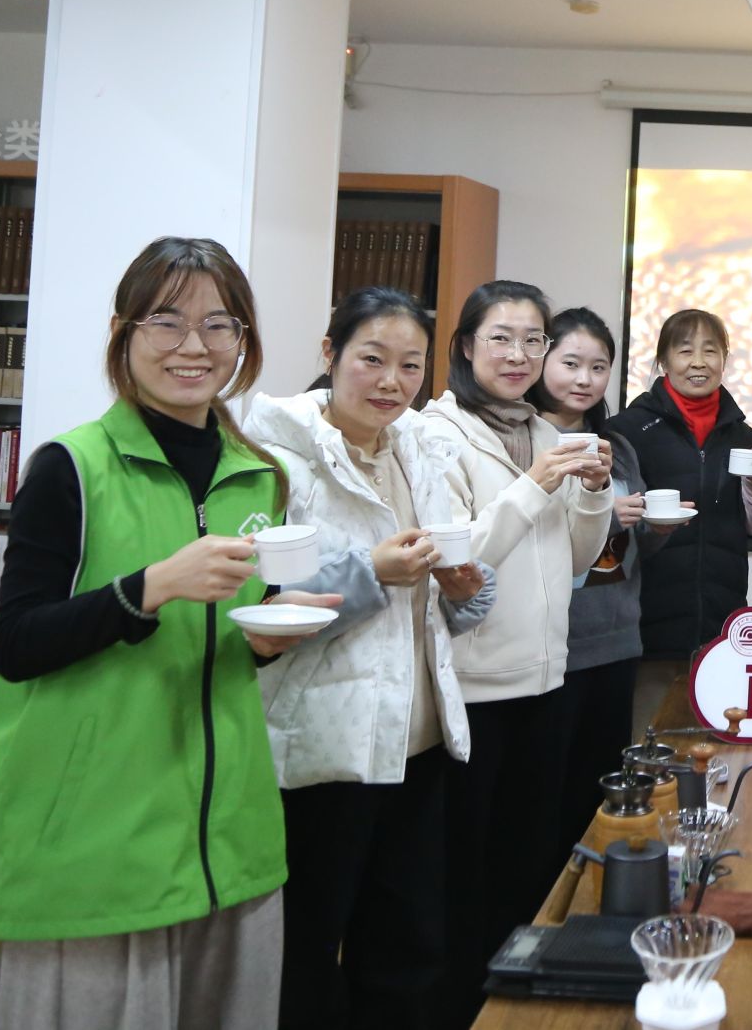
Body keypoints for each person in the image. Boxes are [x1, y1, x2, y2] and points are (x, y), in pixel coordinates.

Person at [0, 237, 339, 1029]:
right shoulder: (71, 467)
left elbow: (220, 637)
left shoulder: (258, 473)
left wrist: (267, 637)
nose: (193, 346)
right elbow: (16, 643)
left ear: (242, 340)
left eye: (219, 325)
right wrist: (148, 587)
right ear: (124, 333)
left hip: (231, 830)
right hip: (98, 834)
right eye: (167, 321)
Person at [244, 286, 500, 1029]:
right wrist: (372, 573)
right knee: (306, 944)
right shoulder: (277, 458)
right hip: (325, 751)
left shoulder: (418, 449)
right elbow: (265, 608)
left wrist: (462, 589)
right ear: (330, 354)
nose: (392, 381)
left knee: (407, 946)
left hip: (417, 741)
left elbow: (442, 610)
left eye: (411, 365)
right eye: (373, 359)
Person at [420, 280, 613, 1028]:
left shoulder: (544, 431)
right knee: (464, 873)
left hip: (544, 678)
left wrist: (592, 492)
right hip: (474, 688)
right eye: (501, 338)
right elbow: (456, 561)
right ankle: (461, 1009)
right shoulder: (436, 433)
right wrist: (534, 486)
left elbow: (577, 559)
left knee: (529, 867)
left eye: (534, 340)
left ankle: (517, 1008)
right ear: (466, 345)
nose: (519, 354)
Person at [532, 307, 687, 882]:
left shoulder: (617, 444)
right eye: (571, 363)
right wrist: (602, 514)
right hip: (554, 645)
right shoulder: (527, 440)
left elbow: (636, 546)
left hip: (617, 637)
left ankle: (592, 895)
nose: (585, 379)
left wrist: (655, 527)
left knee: (600, 791)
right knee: (545, 797)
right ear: (543, 360)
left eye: (598, 367)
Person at [612, 309, 752, 664]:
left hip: (723, 623)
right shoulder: (628, 430)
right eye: (685, 350)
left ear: (724, 360)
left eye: (710, 351)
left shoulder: (746, 437)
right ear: (664, 361)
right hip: (644, 623)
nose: (699, 362)